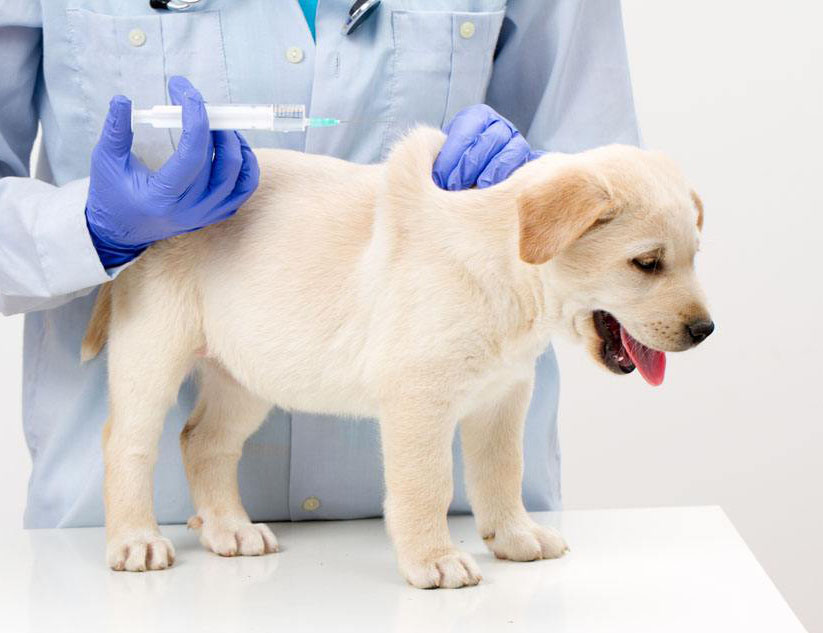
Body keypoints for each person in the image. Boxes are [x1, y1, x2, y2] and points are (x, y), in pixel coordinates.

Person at [0, 1, 640, 528]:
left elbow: (619, 196)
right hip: (121, 554)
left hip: (464, 535)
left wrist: (537, 185)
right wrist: (85, 229)